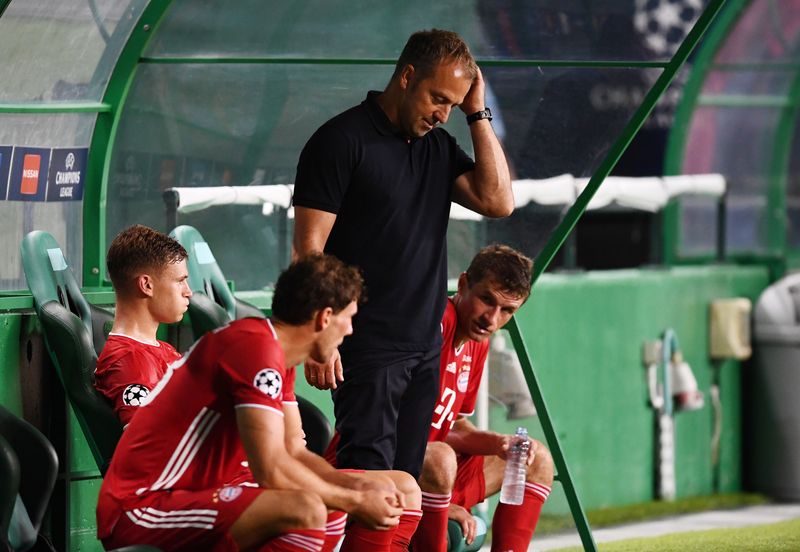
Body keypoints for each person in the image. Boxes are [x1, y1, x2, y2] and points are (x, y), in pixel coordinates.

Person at [292, 28, 515, 480]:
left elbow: (498, 202)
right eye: (438, 98)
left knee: (406, 486)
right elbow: (308, 249)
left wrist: (478, 113)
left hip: (424, 345)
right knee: (370, 483)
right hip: (366, 345)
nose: (443, 114)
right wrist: (318, 337)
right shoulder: (340, 141)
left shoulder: (438, 146)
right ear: (407, 76)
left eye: (454, 104)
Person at [96, 254, 421, 552]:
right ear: (324, 318)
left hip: (194, 497)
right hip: (141, 507)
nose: (350, 330)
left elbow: (293, 452)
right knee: (305, 508)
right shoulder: (254, 348)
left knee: (369, 492)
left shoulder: (277, 355)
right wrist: (356, 499)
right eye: (348, 319)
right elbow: (271, 469)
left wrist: (355, 486)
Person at [411, 244, 554, 552]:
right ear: (462, 285)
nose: (492, 318)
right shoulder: (436, 323)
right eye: (486, 299)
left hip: (437, 472)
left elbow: (452, 425)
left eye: (507, 311)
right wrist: (443, 505)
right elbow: (384, 423)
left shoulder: (478, 342)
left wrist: (499, 444)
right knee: (439, 459)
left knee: (536, 459)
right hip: (395, 470)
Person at [95, 224, 191, 427]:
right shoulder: (130, 361)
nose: (188, 292)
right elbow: (148, 446)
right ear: (146, 285)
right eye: (180, 281)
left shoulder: (162, 350)